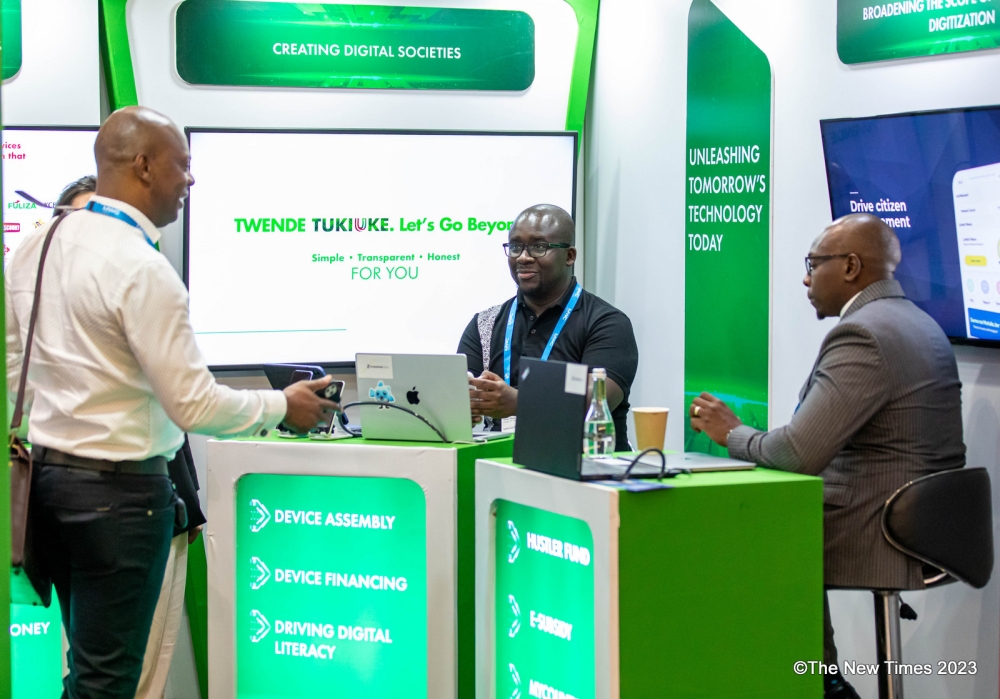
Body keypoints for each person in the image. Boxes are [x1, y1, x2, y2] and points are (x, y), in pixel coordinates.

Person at [5, 106, 337, 699]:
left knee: (86, 673)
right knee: (108, 684)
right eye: (184, 166)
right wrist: (280, 407)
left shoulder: (36, 244)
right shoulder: (140, 265)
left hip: (48, 488)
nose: (190, 181)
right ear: (144, 166)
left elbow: (13, 369)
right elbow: (194, 406)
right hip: (122, 500)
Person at [688, 213, 965, 699]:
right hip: (917, 514)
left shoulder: (865, 334)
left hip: (882, 524)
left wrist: (732, 433)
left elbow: (797, 453)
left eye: (813, 264)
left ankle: (819, 684)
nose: (805, 277)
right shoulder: (913, 321)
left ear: (852, 266)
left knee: (755, 530)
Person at [457, 204, 638, 450]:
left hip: (584, 471)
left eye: (539, 247)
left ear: (570, 256)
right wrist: (465, 402)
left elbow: (596, 400)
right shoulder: (484, 323)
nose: (523, 257)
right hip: (499, 468)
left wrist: (519, 402)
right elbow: (458, 394)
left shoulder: (606, 323)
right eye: (516, 246)